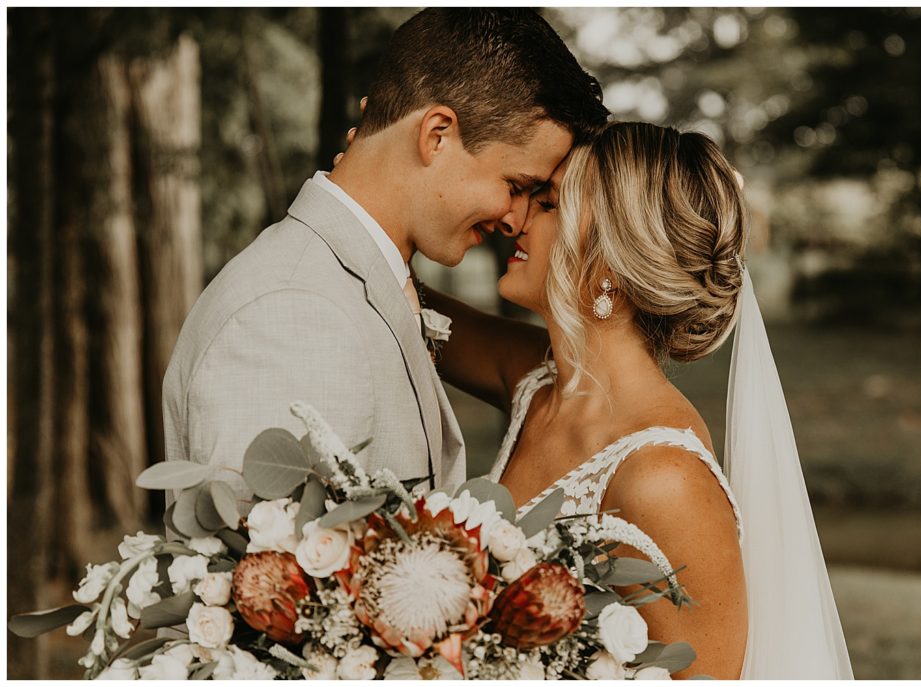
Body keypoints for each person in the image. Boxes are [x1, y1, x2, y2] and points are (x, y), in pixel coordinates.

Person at [422, 122, 854, 679]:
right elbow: (404, 301)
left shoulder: (664, 478)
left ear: (607, 261)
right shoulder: (535, 380)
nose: (514, 218)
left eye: (548, 204)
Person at [160, 9, 610, 506]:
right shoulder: (292, 314)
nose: (514, 219)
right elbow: (264, 575)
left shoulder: (355, 281)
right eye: (516, 186)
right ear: (436, 134)